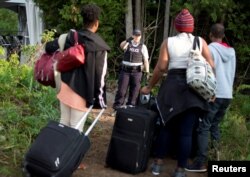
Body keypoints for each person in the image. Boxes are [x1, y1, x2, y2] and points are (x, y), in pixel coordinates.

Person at [140, 9, 215, 177]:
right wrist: (211, 89)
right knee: (187, 132)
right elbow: (211, 65)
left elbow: (161, 68)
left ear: (176, 26)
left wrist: (149, 87)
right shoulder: (200, 41)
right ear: (191, 26)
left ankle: (157, 165)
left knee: (166, 127)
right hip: (194, 90)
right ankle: (180, 170)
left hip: (172, 89)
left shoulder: (169, 42)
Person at [45, 4, 110, 132]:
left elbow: (48, 47)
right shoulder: (99, 46)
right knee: (75, 129)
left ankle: (58, 151)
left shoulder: (70, 37)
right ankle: (70, 152)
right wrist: (100, 99)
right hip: (82, 93)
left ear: (83, 20)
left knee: (63, 123)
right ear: (96, 23)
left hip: (65, 88)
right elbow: (100, 75)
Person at [185, 23, 236, 172]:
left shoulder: (210, 50)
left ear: (211, 35)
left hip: (215, 94)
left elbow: (204, 73)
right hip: (227, 94)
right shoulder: (232, 52)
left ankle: (200, 162)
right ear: (223, 35)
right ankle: (217, 161)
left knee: (204, 127)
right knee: (214, 126)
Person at [112, 29, 149, 113]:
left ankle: (130, 109)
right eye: (135, 35)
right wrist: (127, 40)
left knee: (135, 91)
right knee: (121, 90)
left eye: (138, 35)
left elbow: (146, 60)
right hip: (125, 71)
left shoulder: (143, 46)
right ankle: (117, 108)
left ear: (140, 36)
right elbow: (122, 46)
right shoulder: (127, 44)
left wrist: (147, 72)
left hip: (137, 72)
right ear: (132, 35)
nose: (137, 37)